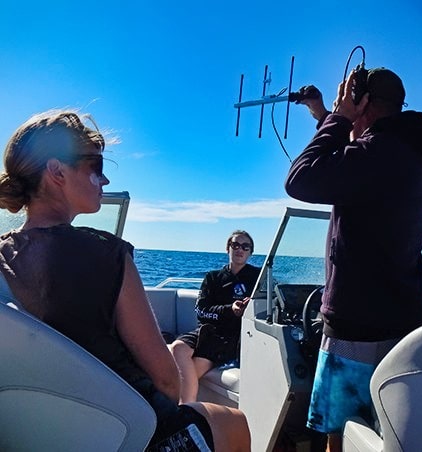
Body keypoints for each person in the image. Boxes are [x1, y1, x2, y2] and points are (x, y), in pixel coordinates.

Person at [0, 110, 251, 452]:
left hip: (42, 433)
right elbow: (166, 380)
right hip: (124, 430)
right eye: (96, 167)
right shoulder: (108, 254)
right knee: (235, 422)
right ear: (57, 171)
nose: (104, 181)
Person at [285, 68, 422, 451]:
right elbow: (355, 161)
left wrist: (338, 119)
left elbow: (301, 179)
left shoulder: (377, 152)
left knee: (338, 433)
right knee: (384, 430)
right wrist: (324, 114)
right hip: (402, 318)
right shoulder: (411, 150)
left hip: (357, 326)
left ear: (364, 105)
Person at [169, 231, 260, 403]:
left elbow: (271, 303)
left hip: (231, 337)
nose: (240, 249)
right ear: (228, 248)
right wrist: (229, 310)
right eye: (235, 245)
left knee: (188, 375)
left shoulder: (258, 278)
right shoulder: (213, 277)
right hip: (207, 330)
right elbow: (201, 309)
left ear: (250, 252)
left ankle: (185, 412)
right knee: (177, 347)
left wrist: (252, 305)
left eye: (245, 247)